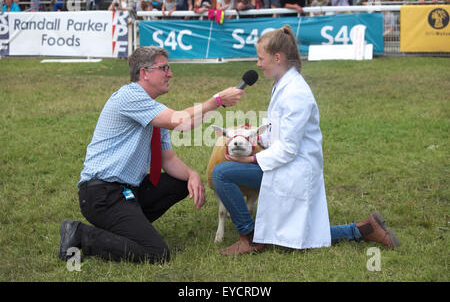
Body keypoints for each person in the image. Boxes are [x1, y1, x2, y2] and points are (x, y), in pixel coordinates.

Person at [212, 25, 401, 256]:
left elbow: (288, 149)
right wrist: (254, 135)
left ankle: (249, 237)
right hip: (286, 165)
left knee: (221, 173)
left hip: (294, 169)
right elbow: (278, 133)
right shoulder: (283, 84)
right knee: (304, 236)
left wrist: (250, 159)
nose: (258, 64)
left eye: (261, 58)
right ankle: (363, 229)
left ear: (278, 57)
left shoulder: (295, 93)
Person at [58, 46, 245, 264]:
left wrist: (192, 174)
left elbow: (170, 160)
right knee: (156, 253)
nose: (170, 74)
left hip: (128, 191)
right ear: (144, 72)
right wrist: (217, 100)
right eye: (164, 68)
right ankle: (81, 234)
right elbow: (181, 121)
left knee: (178, 182)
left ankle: (130, 228)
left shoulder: (152, 109)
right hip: (103, 194)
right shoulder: (130, 96)